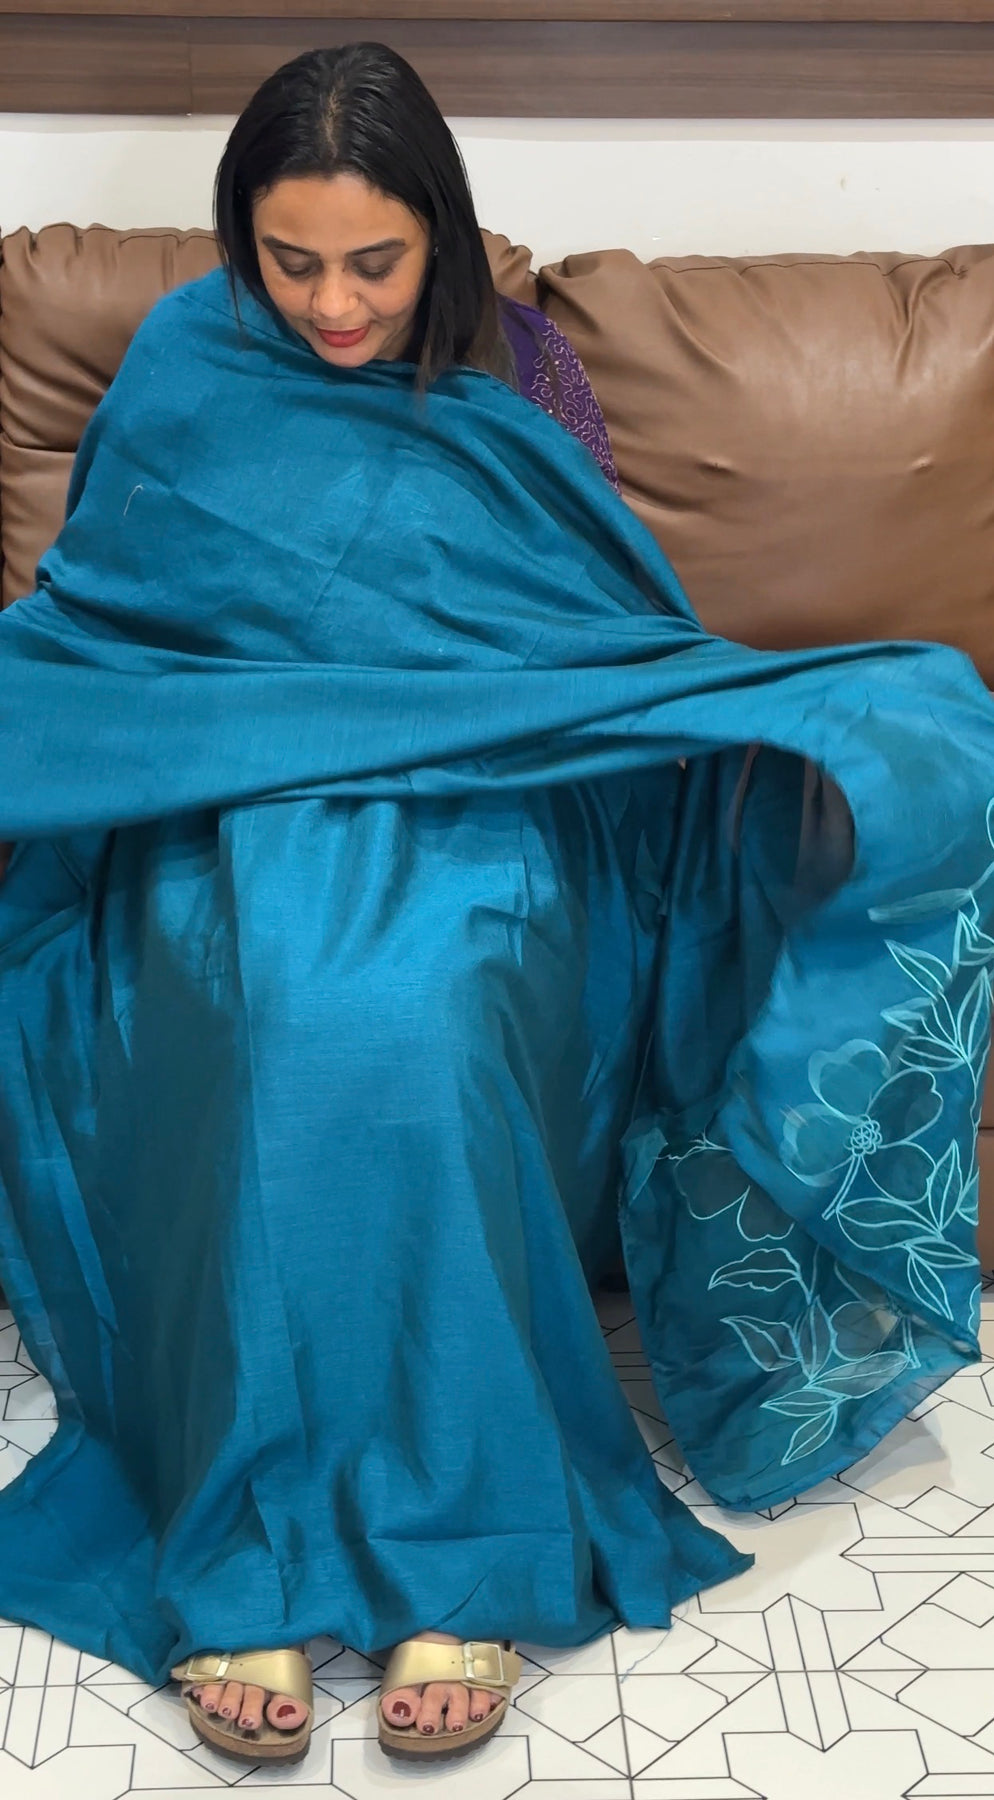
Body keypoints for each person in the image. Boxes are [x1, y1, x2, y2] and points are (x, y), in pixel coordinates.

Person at [0, 40, 992, 1772]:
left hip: (494, 795)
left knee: (420, 1007)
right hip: (223, 788)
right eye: (288, 260)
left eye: (373, 263)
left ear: (438, 237)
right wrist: (245, 738)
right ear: (239, 239)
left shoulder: (525, 375)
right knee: (265, 991)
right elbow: (108, 620)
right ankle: (246, 1540)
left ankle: (464, 1540)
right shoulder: (180, 360)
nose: (331, 305)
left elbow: (595, 638)